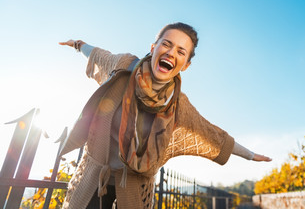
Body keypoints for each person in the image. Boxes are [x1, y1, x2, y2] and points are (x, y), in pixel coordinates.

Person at [58, 22, 271, 209]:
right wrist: (78, 45)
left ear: (186, 65)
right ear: (154, 48)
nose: (171, 53)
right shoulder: (124, 65)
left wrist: (250, 155)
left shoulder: (179, 105)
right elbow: (98, 55)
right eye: (167, 44)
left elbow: (212, 135)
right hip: (94, 178)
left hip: (133, 187)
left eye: (181, 51)